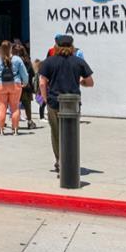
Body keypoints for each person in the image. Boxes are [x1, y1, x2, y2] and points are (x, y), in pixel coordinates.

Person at [37, 34, 93, 173]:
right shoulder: (79, 62)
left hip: (54, 102)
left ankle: (59, 160)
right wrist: (80, 82)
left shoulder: (49, 62)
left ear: (56, 46)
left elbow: (42, 83)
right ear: (72, 46)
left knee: (56, 134)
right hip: (72, 103)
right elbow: (90, 82)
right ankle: (70, 160)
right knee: (71, 133)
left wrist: (45, 99)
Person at [0, 40, 30, 135]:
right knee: (15, 107)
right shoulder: (17, 59)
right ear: (11, 48)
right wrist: (25, 82)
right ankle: (15, 129)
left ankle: (0, 130)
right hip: (15, 85)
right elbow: (24, 73)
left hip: (0, 85)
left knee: (1, 107)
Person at [16, 42, 37, 129]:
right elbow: (32, 73)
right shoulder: (27, 60)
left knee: (15, 105)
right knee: (27, 105)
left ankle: (15, 123)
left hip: (15, 85)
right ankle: (29, 121)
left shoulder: (12, 60)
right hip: (26, 86)